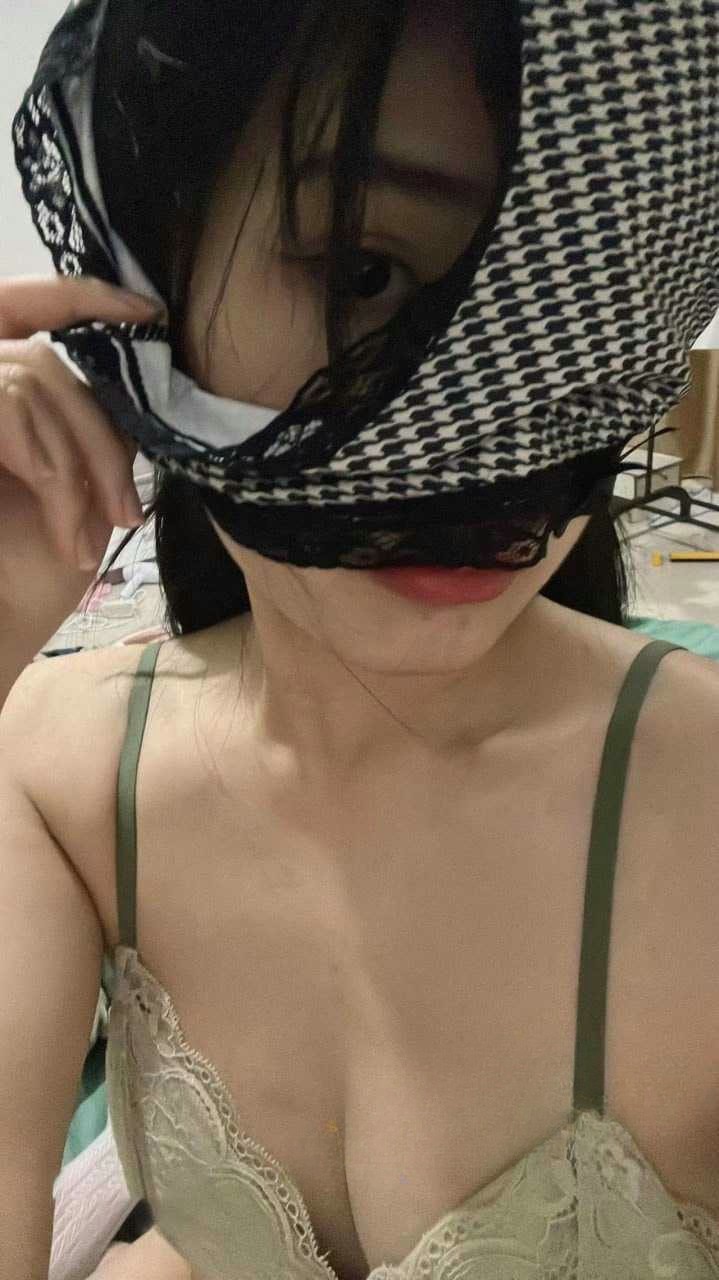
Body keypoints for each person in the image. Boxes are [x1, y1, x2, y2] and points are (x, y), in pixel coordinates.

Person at [2, 1, 719, 1278]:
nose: (489, 432)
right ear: (147, 296)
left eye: (575, 310)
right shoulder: (57, 771)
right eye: (360, 273)